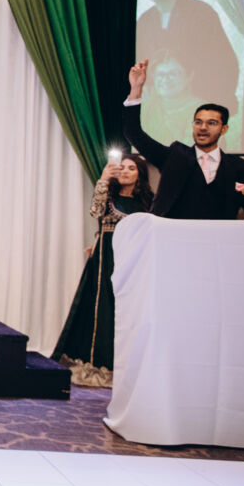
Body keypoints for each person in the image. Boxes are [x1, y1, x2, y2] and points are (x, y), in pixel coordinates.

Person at [51, 153, 153, 387]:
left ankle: (125, 365)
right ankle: (98, 364)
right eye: (122, 167)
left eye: (131, 168)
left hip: (133, 263)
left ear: (140, 174)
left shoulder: (147, 204)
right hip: (104, 263)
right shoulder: (108, 197)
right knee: (101, 308)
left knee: (127, 311)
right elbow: (95, 212)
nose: (125, 171)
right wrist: (104, 179)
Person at [124, 60, 244, 220]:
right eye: (198, 122)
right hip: (172, 233)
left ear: (224, 129)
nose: (203, 127)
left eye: (211, 123)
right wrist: (136, 89)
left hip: (219, 235)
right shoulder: (174, 156)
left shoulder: (240, 167)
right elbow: (133, 133)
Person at [135, 0, 240, 116]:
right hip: (161, 111)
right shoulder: (144, 21)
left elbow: (226, 63)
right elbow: (141, 66)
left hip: (201, 105)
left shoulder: (202, 13)